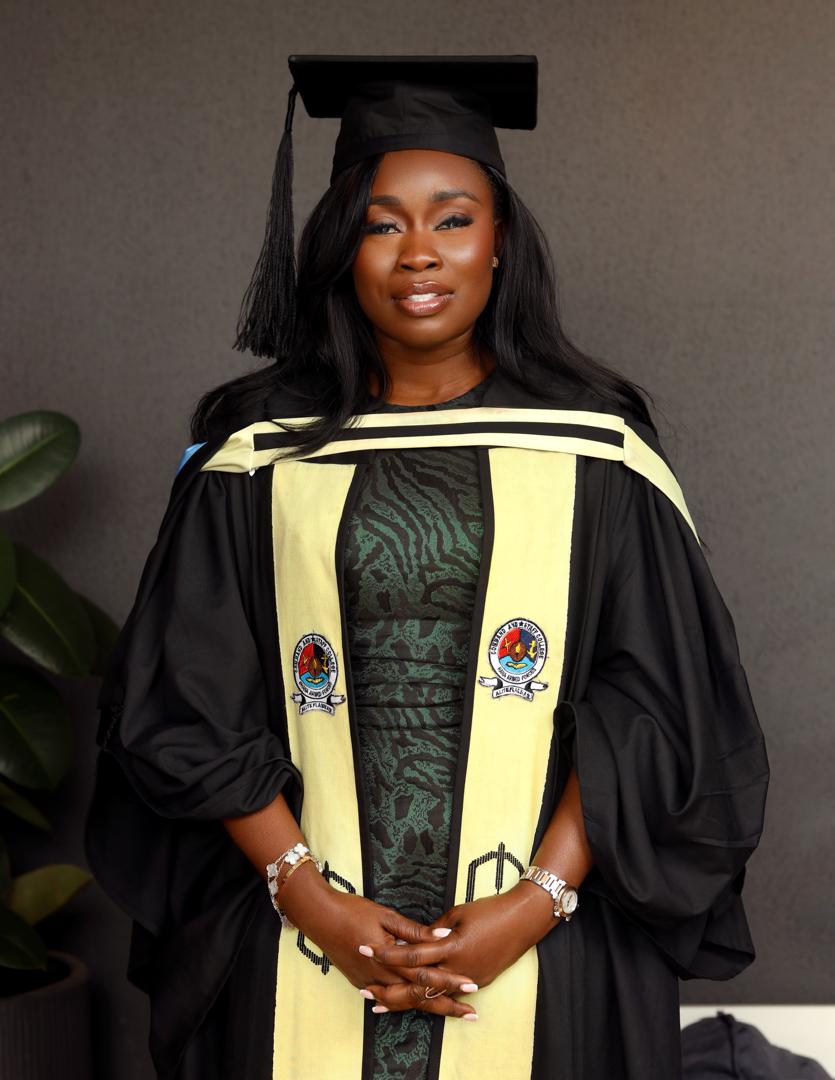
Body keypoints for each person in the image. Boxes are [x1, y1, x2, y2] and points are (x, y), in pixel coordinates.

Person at [84, 54, 770, 1080]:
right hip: (292, 927)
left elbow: (655, 706)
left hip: (547, 940)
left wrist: (533, 903)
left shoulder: (597, 452)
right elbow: (187, 697)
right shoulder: (256, 455)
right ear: (340, 248)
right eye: (381, 224)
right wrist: (307, 896)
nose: (418, 253)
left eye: (453, 219)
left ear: (501, 242)